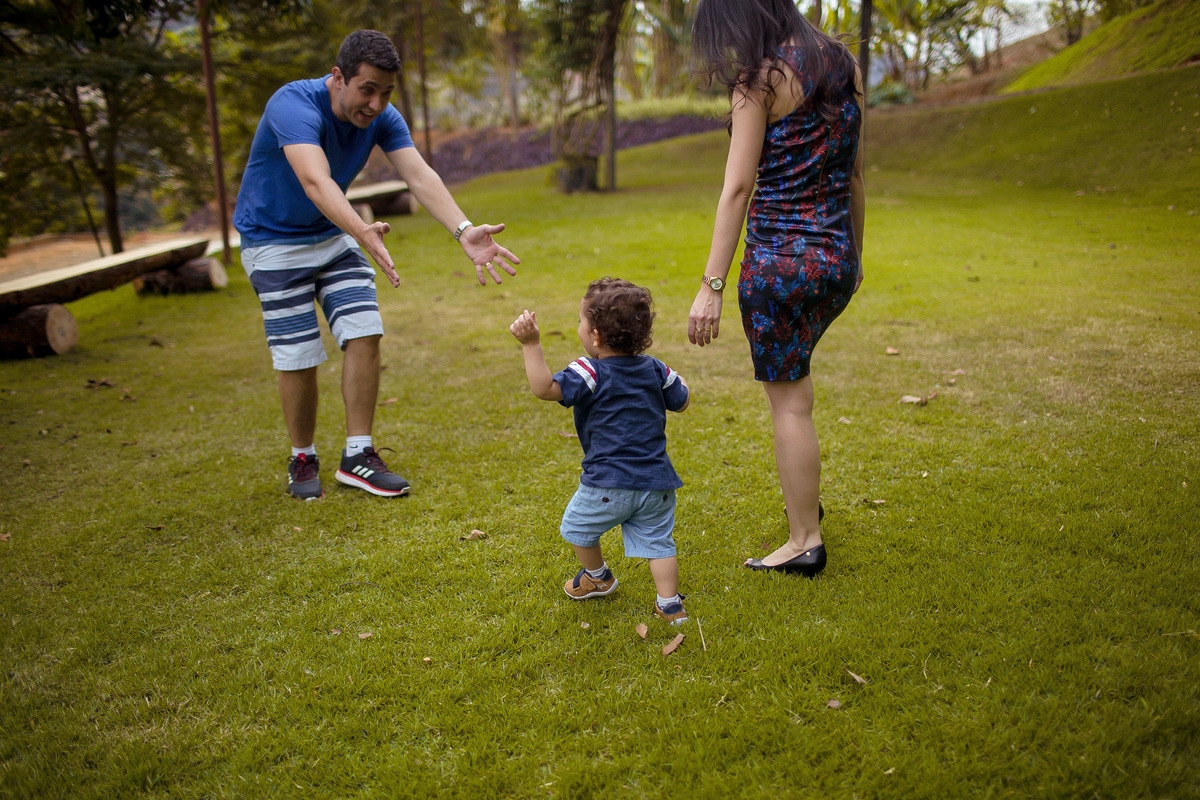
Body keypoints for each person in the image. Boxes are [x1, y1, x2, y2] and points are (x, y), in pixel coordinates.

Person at [233, 30, 519, 501]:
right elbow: (314, 179)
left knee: (364, 328)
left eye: (386, 93)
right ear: (338, 77)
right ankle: (302, 456)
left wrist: (463, 229)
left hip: (331, 236)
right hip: (274, 242)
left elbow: (420, 175)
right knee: (299, 355)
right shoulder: (293, 105)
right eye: (367, 89)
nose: (376, 103)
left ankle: (357, 456)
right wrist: (360, 231)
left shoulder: (383, 117)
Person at [686, 0, 865, 575]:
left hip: (779, 268)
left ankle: (804, 540)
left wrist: (711, 283)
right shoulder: (844, 63)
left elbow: (737, 189)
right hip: (834, 258)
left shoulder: (759, 80)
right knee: (798, 392)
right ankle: (804, 498)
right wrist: (855, 254)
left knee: (790, 403)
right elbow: (855, 172)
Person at [509, 278, 692, 624]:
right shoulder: (654, 368)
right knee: (659, 544)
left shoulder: (590, 370)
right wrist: (679, 381)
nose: (578, 327)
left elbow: (544, 389)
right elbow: (681, 400)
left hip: (607, 484)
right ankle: (670, 606)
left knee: (576, 528)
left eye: (581, 321)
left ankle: (598, 577)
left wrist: (531, 344)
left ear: (595, 337)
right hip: (657, 484)